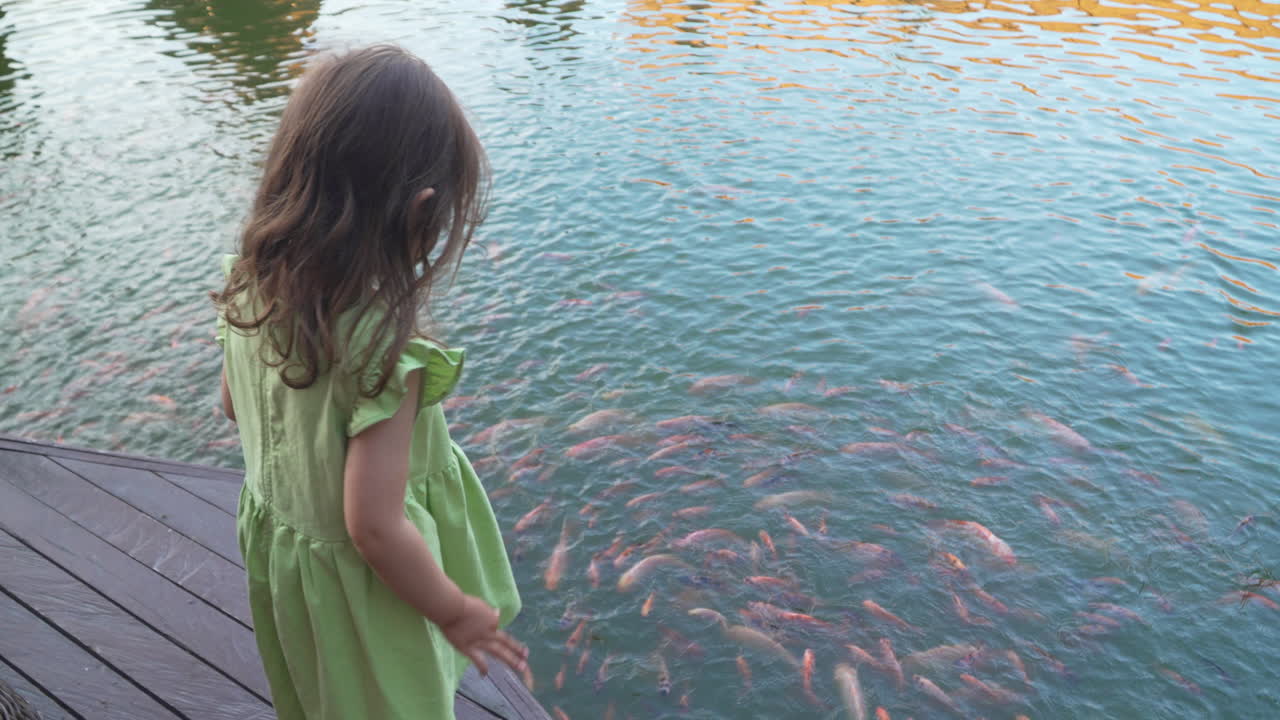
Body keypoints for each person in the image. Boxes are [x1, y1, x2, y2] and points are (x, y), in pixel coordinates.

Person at [210, 44, 526, 720]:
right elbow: (373, 529)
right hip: (369, 594)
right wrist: (457, 610)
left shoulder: (249, 284)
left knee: (319, 697)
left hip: (290, 565)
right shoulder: (385, 352)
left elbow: (233, 407)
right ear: (420, 210)